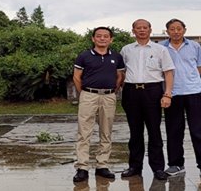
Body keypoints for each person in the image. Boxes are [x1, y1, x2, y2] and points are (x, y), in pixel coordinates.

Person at [160, 18, 201, 181]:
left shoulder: (194, 46)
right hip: (172, 94)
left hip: (194, 92)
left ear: (184, 30)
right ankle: (176, 164)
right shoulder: (161, 48)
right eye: (172, 29)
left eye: (179, 28)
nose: (176, 32)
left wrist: (189, 80)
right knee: (174, 130)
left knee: (199, 130)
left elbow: (199, 68)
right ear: (167, 31)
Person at [120, 19, 175, 181]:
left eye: (145, 27)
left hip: (153, 91)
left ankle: (158, 168)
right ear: (133, 31)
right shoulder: (126, 50)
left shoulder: (160, 50)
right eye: (138, 28)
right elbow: (121, 72)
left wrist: (167, 94)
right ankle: (135, 166)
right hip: (131, 92)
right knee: (135, 132)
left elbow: (168, 73)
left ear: (150, 30)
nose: (142, 30)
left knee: (154, 131)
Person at [72, 26, 126, 183]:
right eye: (99, 36)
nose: (102, 38)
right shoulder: (84, 56)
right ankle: (82, 167)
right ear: (93, 38)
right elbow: (76, 77)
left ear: (111, 39)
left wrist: (113, 91)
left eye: (106, 36)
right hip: (88, 95)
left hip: (108, 96)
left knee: (106, 131)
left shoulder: (116, 56)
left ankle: (102, 165)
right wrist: (84, 93)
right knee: (84, 132)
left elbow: (120, 76)